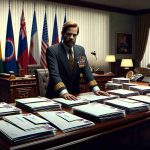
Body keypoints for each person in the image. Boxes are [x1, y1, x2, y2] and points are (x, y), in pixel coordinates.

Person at [46, 21, 109, 100]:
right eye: (69, 34)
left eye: (74, 35)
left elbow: (86, 71)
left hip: (75, 95)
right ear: (62, 33)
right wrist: (64, 92)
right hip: (56, 96)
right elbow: (54, 75)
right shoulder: (52, 51)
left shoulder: (80, 50)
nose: (71, 37)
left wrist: (96, 89)